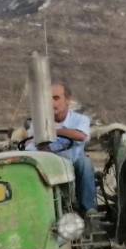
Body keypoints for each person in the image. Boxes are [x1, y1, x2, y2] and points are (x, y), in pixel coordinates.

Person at [24, 83, 97, 215]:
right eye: (47, 99)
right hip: (49, 165)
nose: (51, 103)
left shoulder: (80, 119)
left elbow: (81, 136)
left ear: (68, 100)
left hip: (73, 163)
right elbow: (29, 145)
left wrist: (54, 131)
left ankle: (89, 211)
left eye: (56, 98)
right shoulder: (38, 123)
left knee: (85, 163)